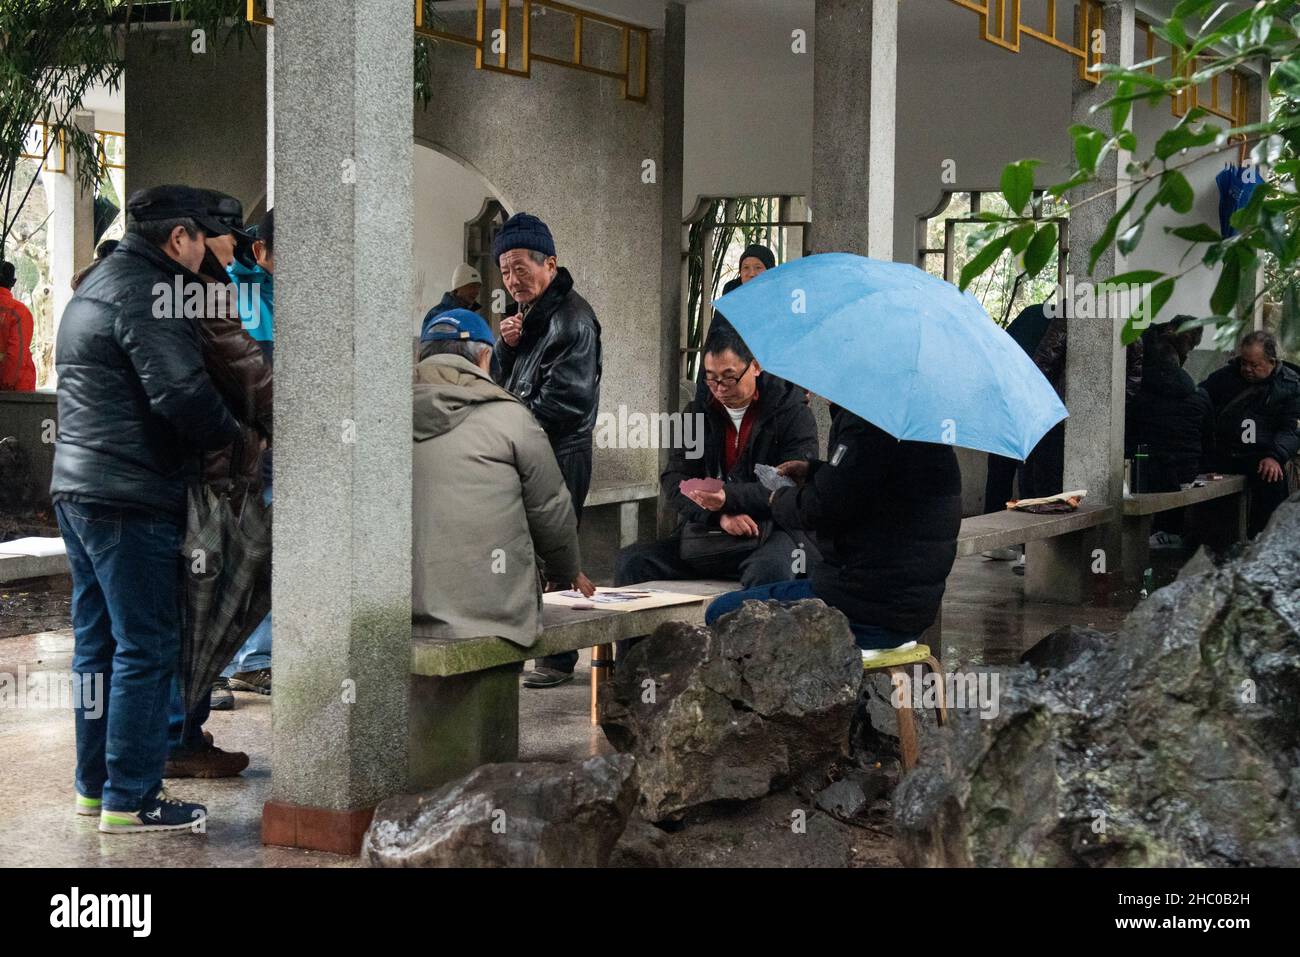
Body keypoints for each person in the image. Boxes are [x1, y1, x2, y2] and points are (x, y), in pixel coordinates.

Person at [52, 184, 242, 833]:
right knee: (145, 645)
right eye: (213, 238)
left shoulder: (101, 280)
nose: (221, 251)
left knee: (96, 647)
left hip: (79, 489)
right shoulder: (152, 292)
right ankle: (132, 797)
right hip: (130, 494)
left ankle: (93, 786)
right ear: (179, 237)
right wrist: (234, 436)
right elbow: (181, 394)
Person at [705, 402, 962, 654]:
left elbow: (820, 508)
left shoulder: (865, 425)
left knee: (723, 613)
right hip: (910, 613)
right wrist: (815, 472)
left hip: (862, 612)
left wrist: (778, 498)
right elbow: (866, 482)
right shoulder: (916, 423)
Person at [412, 309, 594, 644]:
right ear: (484, 357)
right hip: (494, 614)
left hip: (398, 613)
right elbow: (550, 508)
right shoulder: (511, 418)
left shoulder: (383, 417)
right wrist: (565, 570)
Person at [615, 326, 818, 588]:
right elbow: (675, 478)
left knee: (768, 572)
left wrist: (729, 498)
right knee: (633, 562)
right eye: (711, 379)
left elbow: (791, 484)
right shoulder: (697, 414)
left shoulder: (792, 414)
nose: (720, 389)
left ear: (755, 367)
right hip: (711, 530)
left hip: (777, 531)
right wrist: (719, 515)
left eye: (729, 378)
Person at [491, 212, 602, 689]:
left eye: (521, 268)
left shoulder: (573, 320)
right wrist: (506, 347)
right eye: (505, 271)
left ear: (550, 264)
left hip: (562, 452)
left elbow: (564, 401)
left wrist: (506, 421)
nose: (513, 280)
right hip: (530, 447)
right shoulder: (531, 319)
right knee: (522, 550)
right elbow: (503, 381)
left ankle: (557, 658)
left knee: (555, 548)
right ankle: (525, 643)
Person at [1199, 330, 1300, 536]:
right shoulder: (1226, 377)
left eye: (1255, 365)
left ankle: (1263, 539)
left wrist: (1274, 455)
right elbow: (1201, 397)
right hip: (1225, 453)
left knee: (1272, 477)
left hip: (1262, 455)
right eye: (1244, 363)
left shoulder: (1290, 386)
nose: (1247, 369)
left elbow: (1291, 429)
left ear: (1271, 362)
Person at [1124, 317, 1213, 493]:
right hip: (1185, 471)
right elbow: (1209, 441)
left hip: (1144, 471)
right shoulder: (1198, 395)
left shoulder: (1136, 392)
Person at [693, 243, 775, 408]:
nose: (751, 273)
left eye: (758, 267)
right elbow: (713, 345)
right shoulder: (729, 302)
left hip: (765, 384)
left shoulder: (779, 303)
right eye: (745, 268)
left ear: (770, 271)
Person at [420, 263, 482, 339]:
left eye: (478, 287)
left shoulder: (471, 315)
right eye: (471, 287)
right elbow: (441, 340)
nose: (476, 291)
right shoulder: (438, 314)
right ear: (458, 287)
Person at [0, 260, 36, 391]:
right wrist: (5, 388)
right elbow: (16, 355)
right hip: (16, 390)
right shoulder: (18, 312)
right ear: (13, 282)